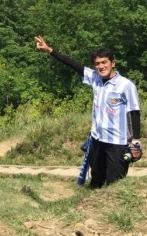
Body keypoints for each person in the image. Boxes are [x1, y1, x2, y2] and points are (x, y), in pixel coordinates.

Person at [35, 36, 141, 188]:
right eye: (97, 63)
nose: (100, 66)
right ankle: (89, 208)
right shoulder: (95, 78)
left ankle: (112, 209)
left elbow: (134, 112)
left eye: (104, 62)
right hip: (97, 139)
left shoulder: (126, 85)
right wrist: (50, 50)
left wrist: (136, 140)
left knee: (115, 183)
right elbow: (73, 64)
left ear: (113, 63)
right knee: (96, 179)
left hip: (117, 143)